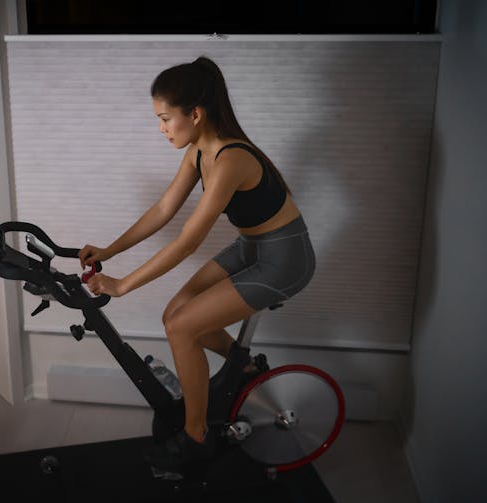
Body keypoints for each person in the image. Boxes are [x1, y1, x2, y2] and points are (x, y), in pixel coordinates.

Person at [78, 56, 315, 469]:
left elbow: (188, 242)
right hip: (252, 246)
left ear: (196, 113)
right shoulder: (197, 152)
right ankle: (243, 370)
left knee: (181, 326)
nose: (161, 128)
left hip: (285, 259)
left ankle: (196, 436)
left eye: (166, 118)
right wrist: (110, 250)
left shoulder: (230, 160)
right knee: (176, 315)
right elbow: (164, 210)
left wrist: (123, 285)